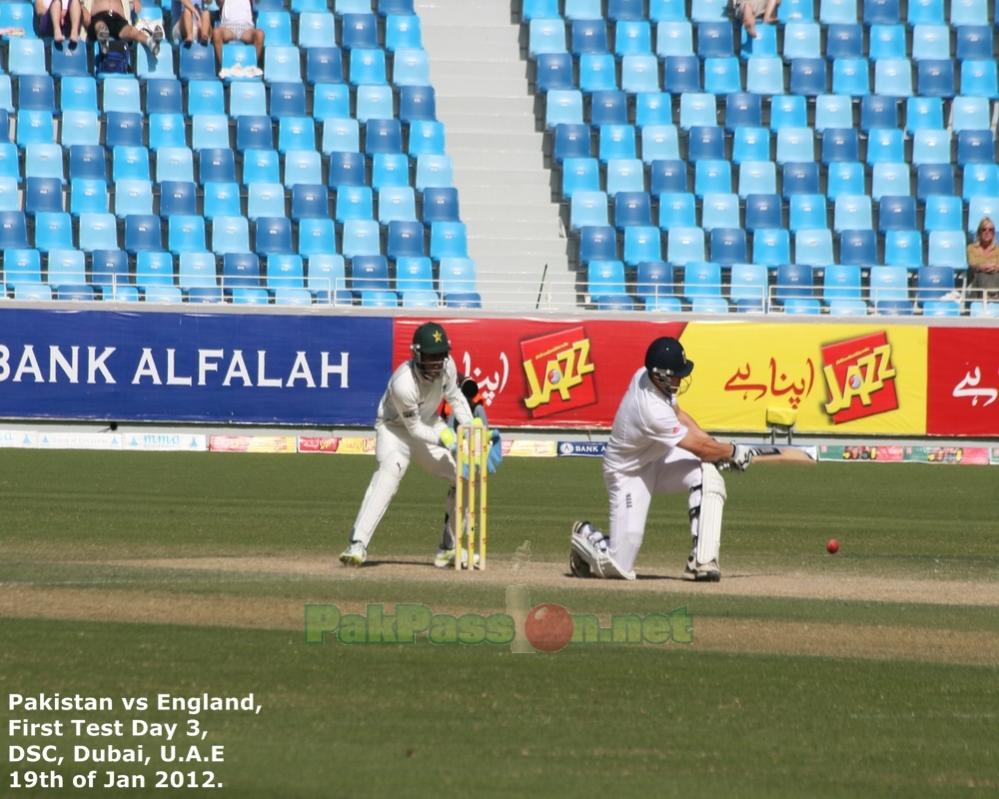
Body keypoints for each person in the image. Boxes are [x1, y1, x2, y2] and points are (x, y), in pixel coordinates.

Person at [569, 337, 752, 582]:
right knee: (618, 567)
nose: (681, 379)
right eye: (677, 374)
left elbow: (681, 416)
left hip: (658, 457)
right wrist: (731, 451)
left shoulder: (648, 378)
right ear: (660, 375)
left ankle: (701, 560)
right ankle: (586, 535)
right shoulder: (651, 410)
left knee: (707, 473)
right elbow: (700, 448)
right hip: (628, 473)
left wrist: (716, 447)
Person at [339, 322, 477, 569]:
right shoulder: (403, 383)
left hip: (430, 422)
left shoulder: (448, 367)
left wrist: (470, 430)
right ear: (416, 355)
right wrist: (448, 440)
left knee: (465, 474)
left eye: (440, 356)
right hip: (394, 429)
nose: (436, 363)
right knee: (391, 470)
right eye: (431, 357)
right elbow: (413, 430)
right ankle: (357, 543)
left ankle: (448, 548)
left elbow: (456, 397)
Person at [84, 0, 162, 57]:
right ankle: (103, 40)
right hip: (98, 16)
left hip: (118, 18)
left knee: (130, 30)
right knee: (101, 26)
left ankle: (150, 41)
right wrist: (83, 8)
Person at [212, 0, 263, 75]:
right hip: (228, 27)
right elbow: (218, 2)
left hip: (246, 28)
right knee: (216, 32)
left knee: (260, 34)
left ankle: (252, 67)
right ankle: (224, 67)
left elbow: (257, 1)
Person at [967, 217, 999, 301]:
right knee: (982, 274)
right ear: (979, 232)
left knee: (995, 275)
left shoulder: (998, 249)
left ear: (993, 233)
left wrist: (996, 267)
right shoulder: (971, 248)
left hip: (996, 279)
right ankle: (991, 296)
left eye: (990, 230)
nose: (987, 232)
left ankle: (990, 296)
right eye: (984, 229)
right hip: (977, 281)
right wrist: (981, 267)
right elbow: (972, 263)